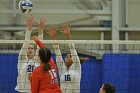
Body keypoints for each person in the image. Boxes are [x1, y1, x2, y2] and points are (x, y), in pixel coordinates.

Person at [46, 23, 88, 93]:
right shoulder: (62, 68)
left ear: (73, 59)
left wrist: (68, 35)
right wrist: (53, 37)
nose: (67, 58)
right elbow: (57, 51)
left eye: (70, 56)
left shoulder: (76, 66)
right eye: (66, 57)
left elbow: (72, 48)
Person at [15, 15, 45, 93]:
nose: (30, 49)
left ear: (35, 51)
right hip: (21, 90)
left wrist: (41, 29)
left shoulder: (38, 60)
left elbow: (40, 45)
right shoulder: (22, 59)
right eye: (29, 48)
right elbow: (26, 43)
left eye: (32, 48)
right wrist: (29, 28)